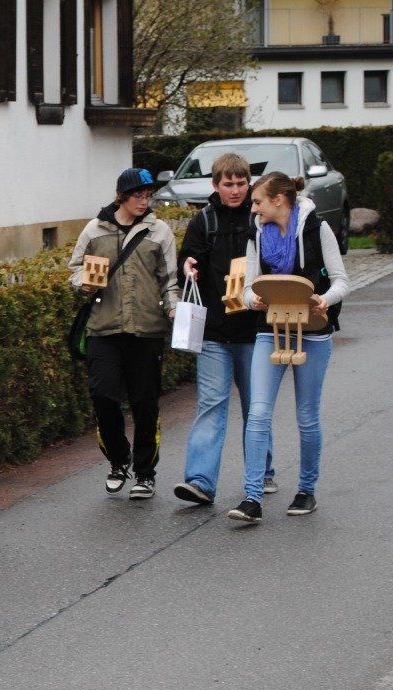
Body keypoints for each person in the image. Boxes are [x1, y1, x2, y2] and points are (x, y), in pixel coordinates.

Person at [227, 172, 349, 524]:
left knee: (306, 416)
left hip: (313, 331)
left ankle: (306, 490)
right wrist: (252, 300)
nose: (253, 208)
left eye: (258, 202)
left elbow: (341, 281)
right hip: (270, 329)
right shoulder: (256, 234)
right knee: (258, 413)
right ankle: (252, 498)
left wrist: (325, 300)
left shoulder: (317, 229)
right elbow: (247, 288)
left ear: (279, 200)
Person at [68, 168, 180, 500]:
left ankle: (145, 473)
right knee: (103, 396)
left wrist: (173, 308)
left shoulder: (159, 231)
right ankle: (119, 461)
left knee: (145, 404)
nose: (145, 201)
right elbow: (74, 269)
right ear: (122, 197)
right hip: (104, 328)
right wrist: (83, 283)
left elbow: (169, 279)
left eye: (149, 195)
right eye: (138, 196)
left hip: (147, 329)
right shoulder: (95, 229)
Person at [173, 152, 277, 506]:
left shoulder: (259, 218)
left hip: (255, 331)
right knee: (211, 404)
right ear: (215, 185)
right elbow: (187, 262)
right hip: (214, 332)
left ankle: (262, 471)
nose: (235, 190)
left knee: (255, 406)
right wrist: (187, 267)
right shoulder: (203, 220)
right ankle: (200, 481)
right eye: (228, 184)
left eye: (241, 183)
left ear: (249, 184)